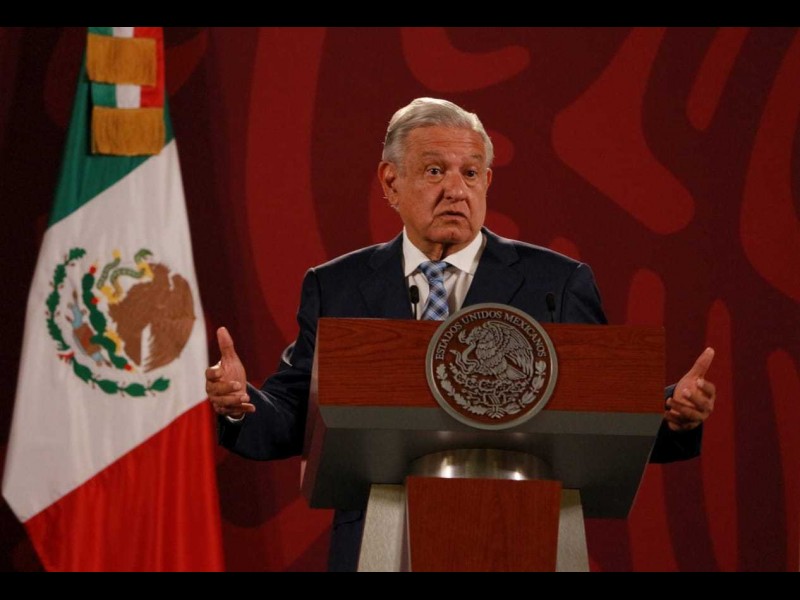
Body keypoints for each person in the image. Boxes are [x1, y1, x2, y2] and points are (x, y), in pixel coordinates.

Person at [206, 97, 716, 571]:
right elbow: (297, 409)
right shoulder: (337, 285)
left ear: (487, 181)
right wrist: (240, 404)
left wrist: (672, 412)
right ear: (390, 181)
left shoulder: (555, 284)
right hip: (379, 540)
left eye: (470, 173)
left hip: (521, 533)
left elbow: (606, 406)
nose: (456, 189)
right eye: (435, 171)